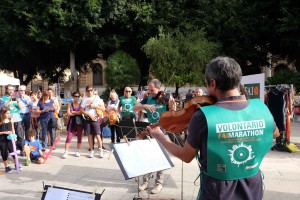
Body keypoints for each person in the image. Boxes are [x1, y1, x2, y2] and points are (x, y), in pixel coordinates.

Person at [147, 57, 280, 200]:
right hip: (252, 188)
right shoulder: (261, 108)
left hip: (218, 191)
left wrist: (162, 138)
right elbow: (276, 133)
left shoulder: (202, 117)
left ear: (213, 83)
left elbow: (186, 156)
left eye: (207, 85)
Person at [133, 79, 175, 194]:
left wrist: (172, 106)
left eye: (152, 90)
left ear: (159, 89)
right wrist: (145, 105)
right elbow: (134, 108)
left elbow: (173, 113)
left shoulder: (166, 97)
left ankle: (158, 183)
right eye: (149, 89)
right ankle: (145, 181)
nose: (150, 92)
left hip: (163, 131)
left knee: (161, 158)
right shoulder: (148, 98)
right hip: (150, 130)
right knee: (148, 156)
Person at [80, 85, 106, 158]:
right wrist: (88, 114)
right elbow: (81, 110)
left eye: (91, 90)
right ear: (86, 91)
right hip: (88, 118)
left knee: (98, 135)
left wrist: (93, 106)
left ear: (93, 90)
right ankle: (92, 151)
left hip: (95, 119)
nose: (89, 92)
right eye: (88, 90)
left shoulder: (97, 98)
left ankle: (100, 151)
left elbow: (103, 108)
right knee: (90, 135)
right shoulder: (84, 99)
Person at [2, 84, 25, 155]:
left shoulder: (17, 98)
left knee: (19, 134)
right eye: (9, 89)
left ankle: (21, 149)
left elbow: (21, 108)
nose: (11, 91)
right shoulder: (3, 98)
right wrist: (9, 101)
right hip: (7, 120)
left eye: (12, 89)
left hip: (17, 119)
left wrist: (18, 101)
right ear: (6, 90)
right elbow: (2, 107)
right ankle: (10, 150)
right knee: (9, 135)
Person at [0, 107, 22, 173]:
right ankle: (6, 167)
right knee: (4, 153)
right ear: (3, 113)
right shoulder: (1, 121)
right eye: (7, 113)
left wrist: (14, 136)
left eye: (9, 113)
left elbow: (13, 129)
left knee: (13, 151)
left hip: (10, 139)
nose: (9, 114)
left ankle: (16, 164)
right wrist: (4, 132)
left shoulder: (10, 120)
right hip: (2, 139)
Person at [62, 91, 84, 158]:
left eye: (78, 96)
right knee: (69, 137)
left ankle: (77, 151)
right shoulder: (70, 104)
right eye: (75, 96)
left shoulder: (81, 104)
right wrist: (77, 112)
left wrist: (73, 112)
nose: (77, 97)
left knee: (79, 136)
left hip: (79, 121)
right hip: (72, 121)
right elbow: (68, 113)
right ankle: (66, 152)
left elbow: (81, 112)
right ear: (73, 97)